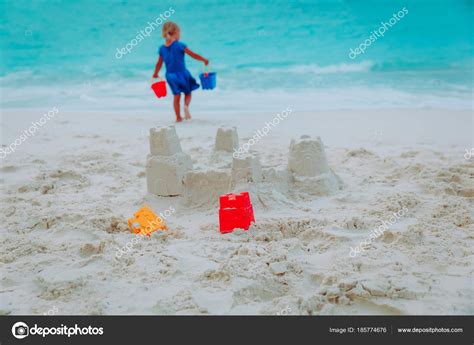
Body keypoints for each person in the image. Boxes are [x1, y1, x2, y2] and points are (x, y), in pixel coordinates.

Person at [152, 21, 209, 122]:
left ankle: (178, 117)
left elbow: (159, 63)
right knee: (188, 92)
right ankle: (186, 106)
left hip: (170, 76)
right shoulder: (180, 45)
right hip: (182, 73)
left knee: (176, 96)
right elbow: (193, 55)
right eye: (179, 33)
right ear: (175, 33)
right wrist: (204, 60)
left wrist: (155, 74)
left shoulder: (162, 48)